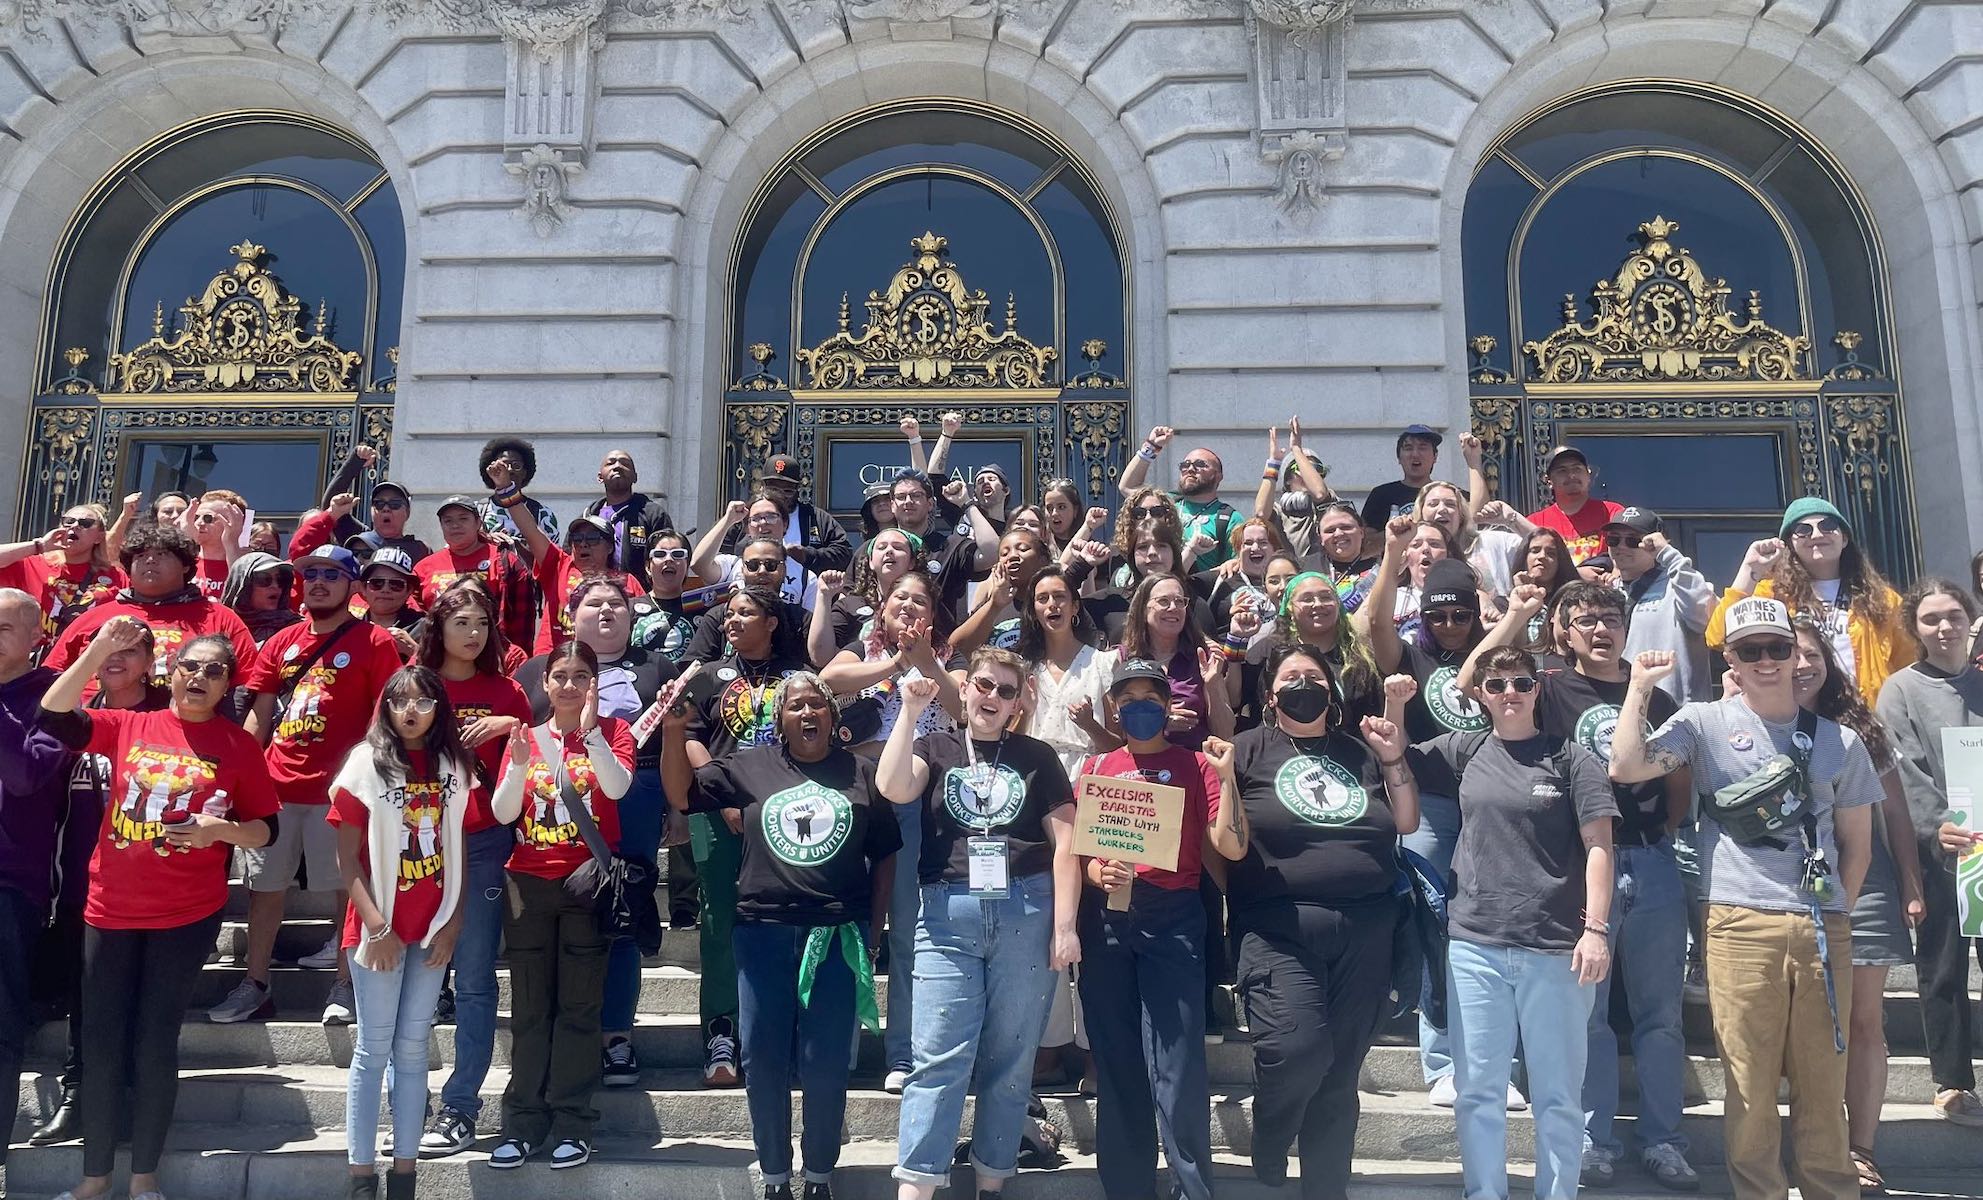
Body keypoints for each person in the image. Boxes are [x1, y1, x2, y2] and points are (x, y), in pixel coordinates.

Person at [1610, 596, 1877, 1200]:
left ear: (1796, 655)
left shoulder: (1842, 741)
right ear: (1729, 659)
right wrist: (1640, 688)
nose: (1766, 661)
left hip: (1821, 925)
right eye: (1749, 650)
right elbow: (1625, 767)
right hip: (1738, 921)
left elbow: (1857, 846)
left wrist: (1836, 911)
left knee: (1823, 1081)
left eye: (1777, 648)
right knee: (1750, 1084)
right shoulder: (1702, 722)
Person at [1465, 582, 1694, 1188]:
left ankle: (1664, 1140)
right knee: (1587, 1016)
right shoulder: (1548, 688)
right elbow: (1471, 683)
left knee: (1660, 1013)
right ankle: (1595, 1141)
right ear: (1564, 632)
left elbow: (1679, 780)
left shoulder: (1658, 695)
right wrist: (1517, 616)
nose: (1601, 628)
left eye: (1611, 618)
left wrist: (1656, 833)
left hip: (1650, 860)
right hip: (1583, 866)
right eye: (1586, 619)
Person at [40, 622, 278, 1200]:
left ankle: (144, 1180)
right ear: (172, 673)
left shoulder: (237, 745)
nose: (200, 677)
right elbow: (53, 714)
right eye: (191, 666)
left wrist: (219, 830)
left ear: (227, 686)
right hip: (110, 908)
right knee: (100, 1042)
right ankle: (95, 1179)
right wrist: (99, 650)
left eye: (214, 671)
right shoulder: (130, 725)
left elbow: (265, 830)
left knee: (154, 1043)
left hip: (186, 915)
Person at [660, 671, 901, 1200]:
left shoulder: (862, 773)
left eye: (817, 704)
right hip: (762, 935)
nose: (807, 712)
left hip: (836, 936)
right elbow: (681, 793)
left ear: (832, 716)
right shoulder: (748, 766)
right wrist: (675, 731)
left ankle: (818, 1176)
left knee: (825, 1062)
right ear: (780, 720)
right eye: (795, 706)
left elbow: (885, 855)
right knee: (763, 1059)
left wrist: (874, 930)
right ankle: (774, 1176)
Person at [1406, 644, 1617, 1200]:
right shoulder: (1465, 747)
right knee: (1478, 1091)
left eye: (1522, 683)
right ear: (1481, 694)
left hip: (1557, 947)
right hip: (1474, 944)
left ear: (1536, 690)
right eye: (1497, 685)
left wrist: (1596, 930)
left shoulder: (1573, 759)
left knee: (1558, 1094)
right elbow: (1395, 759)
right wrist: (1391, 706)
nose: (1510, 694)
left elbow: (1600, 847)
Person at [879, 654, 1082, 1200]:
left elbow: (1066, 844)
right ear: (966, 689)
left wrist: (1065, 926)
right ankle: (917, 1186)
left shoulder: (1036, 756)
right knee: (936, 1057)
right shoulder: (935, 747)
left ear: (1018, 703)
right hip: (947, 913)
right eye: (985, 685)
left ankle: (991, 1181)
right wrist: (908, 712)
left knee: (1011, 1058)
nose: (992, 697)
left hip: (1026, 909)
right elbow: (893, 787)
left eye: (1006, 691)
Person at [1227, 643, 1417, 1197]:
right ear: (1270, 696)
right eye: (1291, 677)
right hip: (1279, 928)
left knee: (1341, 1070)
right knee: (1296, 1050)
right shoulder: (1246, 750)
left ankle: (1326, 1187)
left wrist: (1392, 758)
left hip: (1368, 928)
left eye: (1314, 676)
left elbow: (1406, 821)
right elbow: (1224, 842)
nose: (1303, 685)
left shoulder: (1359, 751)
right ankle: (1272, 1132)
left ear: (1331, 692)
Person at [211, 546, 404, 1027]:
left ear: (353, 587)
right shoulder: (282, 641)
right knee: (264, 890)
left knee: (345, 890)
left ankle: (344, 984)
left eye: (331, 575)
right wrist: (242, 775)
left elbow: (384, 717)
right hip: (274, 787)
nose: (318, 581)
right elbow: (259, 713)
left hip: (337, 791)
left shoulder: (375, 641)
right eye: (311, 573)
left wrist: (366, 781)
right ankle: (256, 985)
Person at [1077, 658, 1245, 1200]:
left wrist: (1226, 776)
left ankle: (1191, 1189)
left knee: (1178, 1063)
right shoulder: (1097, 767)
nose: (1139, 709)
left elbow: (1230, 845)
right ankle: (1127, 1189)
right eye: (1128, 700)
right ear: (1113, 708)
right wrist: (1097, 872)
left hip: (1173, 917)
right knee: (1117, 1060)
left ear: (1169, 706)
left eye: (1151, 698)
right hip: (1109, 920)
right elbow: (1083, 851)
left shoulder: (1195, 764)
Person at [513, 575, 678, 1086]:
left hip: (635, 792)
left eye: (617, 604)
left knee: (621, 914)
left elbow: (673, 741)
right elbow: (518, 732)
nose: (606, 611)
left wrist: (675, 806)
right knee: (562, 921)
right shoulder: (535, 670)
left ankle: (616, 1036)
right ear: (571, 614)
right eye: (594, 604)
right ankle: (557, 1035)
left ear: (632, 616)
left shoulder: (657, 666)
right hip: (553, 803)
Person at [1786, 613, 1924, 1193]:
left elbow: (1895, 812)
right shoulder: (1744, 718)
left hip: (1865, 889)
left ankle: (1860, 1150)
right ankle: (1814, 1146)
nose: (1801, 664)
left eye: (1811, 654)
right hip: (1777, 891)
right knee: (1802, 1028)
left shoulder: (1859, 727)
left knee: (1864, 1021)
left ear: (1829, 662)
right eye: (1788, 652)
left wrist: (1912, 883)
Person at [487, 639, 635, 1170]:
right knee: (530, 1008)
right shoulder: (525, 737)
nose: (570, 685)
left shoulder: (614, 732)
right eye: (560, 676)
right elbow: (504, 814)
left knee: (579, 1007)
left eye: (581, 676)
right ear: (545, 684)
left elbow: (616, 790)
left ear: (594, 684)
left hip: (585, 884)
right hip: (527, 884)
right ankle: (522, 1123)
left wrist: (591, 733)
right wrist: (516, 766)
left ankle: (573, 1123)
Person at [27, 606, 167, 1151]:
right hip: (83, 885)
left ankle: (132, 1101)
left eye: (129, 650)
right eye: (106, 648)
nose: (115, 659)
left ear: (151, 663)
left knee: (143, 1006)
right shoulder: (74, 715)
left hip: (152, 888)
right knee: (86, 1002)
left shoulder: (169, 717)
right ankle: (77, 1097)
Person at [331, 666, 472, 1200]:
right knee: (373, 1050)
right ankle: (361, 1177)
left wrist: (454, 922)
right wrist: (377, 926)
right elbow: (347, 859)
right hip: (380, 927)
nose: (411, 711)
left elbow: (459, 846)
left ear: (439, 709)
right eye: (399, 701)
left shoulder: (454, 765)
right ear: (385, 708)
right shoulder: (365, 763)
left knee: (414, 1050)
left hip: (433, 925)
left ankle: (405, 1177)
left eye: (423, 701)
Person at [821, 571, 963, 1090]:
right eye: (899, 596)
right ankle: (838, 1050)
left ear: (933, 614)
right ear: (882, 608)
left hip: (915, 806)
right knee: (845, 926)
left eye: (919, 599)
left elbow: (963, 709)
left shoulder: (950, 658)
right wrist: (897, 664)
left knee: (907, 932)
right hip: (857, 800)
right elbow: (829, 680)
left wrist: (926, 661)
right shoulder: (864, 651)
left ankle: (902, 1054)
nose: (907, 605)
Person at [679, 587, 814, 1088]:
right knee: (720, 919)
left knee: (789, 921)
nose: (732, 621)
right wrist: (725, 794)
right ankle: (721, 1031)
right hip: (719, 815)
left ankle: (786, 1031)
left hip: (784, 814)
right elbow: (691, 739)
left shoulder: (798, 678)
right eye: (729, 614)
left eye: (745, 613)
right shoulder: (708, 676)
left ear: (772, 622)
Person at [416, 582, 533, 1158]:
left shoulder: (507, 690)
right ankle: (409, 1098)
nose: (474, 634)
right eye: (462, 622)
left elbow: (537, 758)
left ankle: (461, 1106)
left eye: (483, 624)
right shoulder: (413, 686)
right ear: (438, 628)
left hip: (483, 842)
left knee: (476, 978)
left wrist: (510, 726)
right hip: (415, 843)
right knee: (412, 977)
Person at [1876, 579, 1983, 1129]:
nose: (1944, 628)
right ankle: (1953, 1082)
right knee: (1943, 968)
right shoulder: (1900, 690)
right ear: (1914, 628)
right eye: (1931, 619)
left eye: (1953, 616)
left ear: (1970, 619)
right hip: (1944, 855)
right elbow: (1905, 769)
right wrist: (1939, 825)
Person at [0, 588, 71, 1174]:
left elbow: (26, 775)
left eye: (2, 629)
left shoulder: (54, 699)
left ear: (35, 637)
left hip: (10, 885)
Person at [1710, 497, 1908, 703]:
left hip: (1865, 713)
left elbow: (1908, 662)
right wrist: (1750, 569)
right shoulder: (1772, 594)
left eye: (1828, 526)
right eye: (1803, 530)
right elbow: (1717, 637)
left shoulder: (1883, 599)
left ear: (1844, 539)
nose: (1816, 534)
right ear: (1789, 544)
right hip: (1794, 712)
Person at [44, 522, 258, 696]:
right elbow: (50, 677)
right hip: (93, 724)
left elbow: (246, 687)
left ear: (185, 566)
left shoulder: (220, 618)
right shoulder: (94, 617)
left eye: (162, 554)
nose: (150, 561)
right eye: (140, 556)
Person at [1604, 507, 1715, 705]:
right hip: (1623, 710)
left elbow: (1703, 615)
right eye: (1614, 540)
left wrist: (1667, 554)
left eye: (1632, 540)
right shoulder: (1605, 592)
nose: (1621, 547)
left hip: (1678, 714)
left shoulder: (1679, 586)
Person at [415, 495, 536, 655]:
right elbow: (416, 621)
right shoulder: (423, 568)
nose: (455, 525)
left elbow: (523, 622)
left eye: (463, 519)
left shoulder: (505, 561)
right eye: (448, 521)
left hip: (493, 657)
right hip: (439, 658)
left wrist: (516, 660)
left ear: (478, 523)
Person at [1118, 425, 1240, 568]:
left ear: (1218, 476)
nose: (1190, 469)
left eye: (1200, 464)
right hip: (1155, 579)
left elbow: (1237, 564)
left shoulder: (1229, 518)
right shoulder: (1165, 504)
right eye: (1185, 465)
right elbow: (1128, 487)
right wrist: (1151, 446)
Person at [0, 504, 125, 637]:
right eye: (69, 521)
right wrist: (39, 546)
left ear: (99, 537)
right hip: (38, 648)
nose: (75, 526)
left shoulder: (115, 576)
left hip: (87, 649)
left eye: (85, 523)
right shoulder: (32, 564)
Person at [722, 453, 854, 577]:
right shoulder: (744, 516)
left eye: (787, 490)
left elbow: (845, 554)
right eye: (773, 489)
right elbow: (719, 556)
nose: (779, 496)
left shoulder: (816, 518)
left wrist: (807, 555)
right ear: (762, 487)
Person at [584, 448, 676, 588]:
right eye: (610, 463)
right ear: (600, 477)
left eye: (625, 463)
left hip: (640, 597)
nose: (617, 466)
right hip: (597, 595)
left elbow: (667, 557)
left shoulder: (654, 514)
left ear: (635, 477)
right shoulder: (588, 517)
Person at [1526, 446, 1624, 565]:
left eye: (1577, 469)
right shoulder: (1534, 523)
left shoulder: (1612, 513)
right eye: (1562, 471)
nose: (1571, 475)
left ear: (1588, 475)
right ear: (1548, 481)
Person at [475, 437, 560, 544]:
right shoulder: (475, 511)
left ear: (525, 473)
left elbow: (553, 552)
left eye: (516, 466)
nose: (510, 470)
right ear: (490, 471)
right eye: (503, 465)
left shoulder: (543, 514)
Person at [1360, 424, 1441, 533]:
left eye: (1422, 448)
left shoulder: (1448, 495)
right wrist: (1396, 533)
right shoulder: (1381, 495)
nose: (1415, 454)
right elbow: (1366, 539)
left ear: (1435, 457)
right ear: (1399, 457)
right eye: (1408, 448)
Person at [221, 550, 302, 646]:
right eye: (265, 579)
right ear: (244, 586)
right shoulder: (221, 625)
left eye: (280, 580)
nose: (275, 586)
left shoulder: (297, 630)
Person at [359, 547, 424, 660]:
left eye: (396, 584)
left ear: (409, 591)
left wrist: (412, 649)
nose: (385, 589)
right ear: (363, 588)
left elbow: (445, 669)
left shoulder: (426, 627)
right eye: (377, 583)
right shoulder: (349, 629)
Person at [189, 489, 249, 600]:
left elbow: (241, 600)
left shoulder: (249, 567)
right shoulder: (183, 562)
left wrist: (231, 542)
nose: (199, 523)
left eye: (208, 518)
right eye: (196, 517)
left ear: (233, 523)